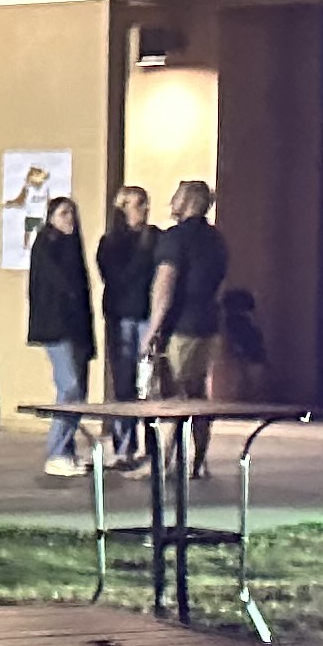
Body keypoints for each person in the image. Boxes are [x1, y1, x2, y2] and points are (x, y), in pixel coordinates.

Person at [146, 178, 230, 478]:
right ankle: (198, 461)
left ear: (189, 202)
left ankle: (163, 463)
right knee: (197, 394)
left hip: (181, 327)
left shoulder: (175, 238)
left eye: (176, 197)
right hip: (208, 323)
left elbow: (164, 286)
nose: (172, 203)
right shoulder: (216, 239)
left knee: (172, 397)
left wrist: (152, 330)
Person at [25, 193, 96, 477]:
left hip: (76, 329)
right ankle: (56, 451)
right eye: (64, 213)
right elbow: (55, 288)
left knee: (78, 390)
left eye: (73, 213)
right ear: (51, 217)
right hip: (58, 329)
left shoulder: (71, 246)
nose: (70, 219)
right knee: (69, 387)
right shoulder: (48, 244)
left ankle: (66, 450)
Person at [94, 184, 158, 473]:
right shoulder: (111, 242)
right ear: (122, 208)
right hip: (122, 317)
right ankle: (123, 447)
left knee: (149, 384)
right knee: (123, 383)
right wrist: (142, 252)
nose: (143, 208)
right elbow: (116, 277)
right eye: (137, 203)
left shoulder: (156, 237)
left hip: (147, 315)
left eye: (144, 202)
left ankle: (153, 448)